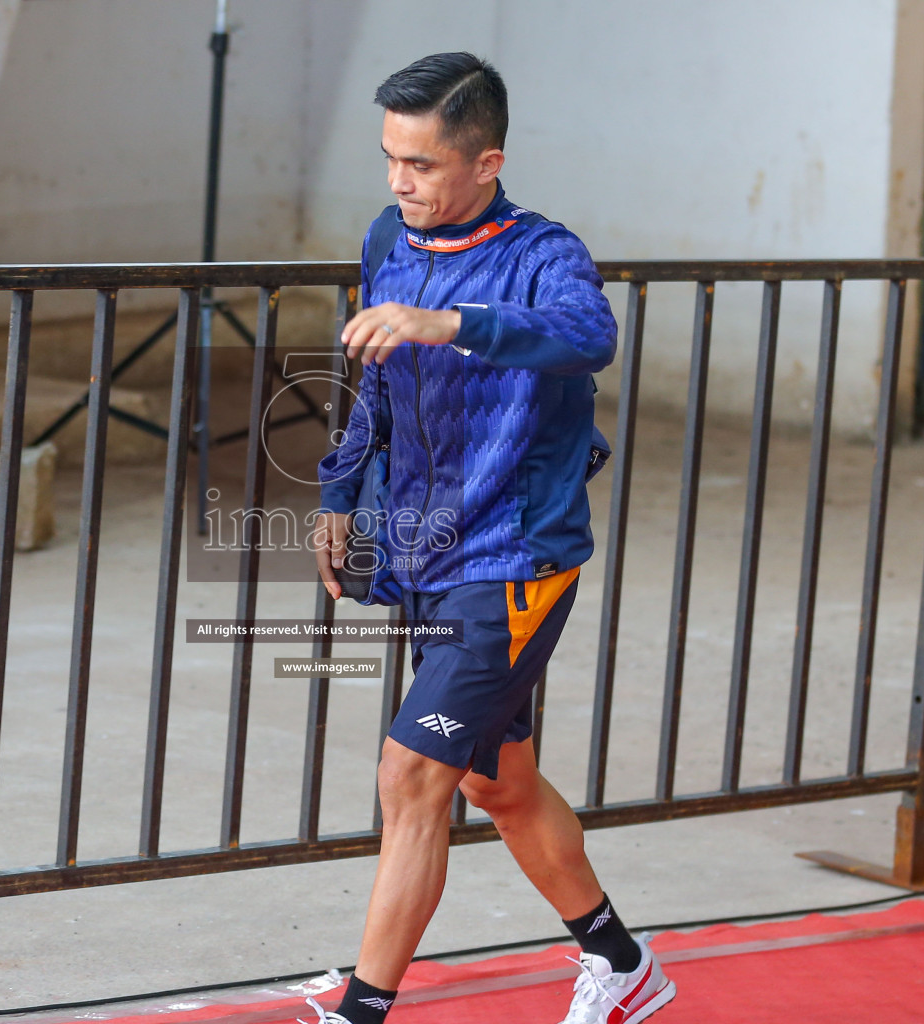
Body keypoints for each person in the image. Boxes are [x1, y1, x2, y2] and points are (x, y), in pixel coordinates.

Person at [307, 53, 676, 1024]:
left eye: (422, 164)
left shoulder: (546, 252)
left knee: (413, 774)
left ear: (485, 162)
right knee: (493, 775)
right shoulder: (389, 233)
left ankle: (361, 1010)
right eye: (391, 157)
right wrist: (341, 489)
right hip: (428, 546)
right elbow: (377, 384)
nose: (399, 181)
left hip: (517, 557)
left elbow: (586, 336)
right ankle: (622, 963)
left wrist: (448, 320)